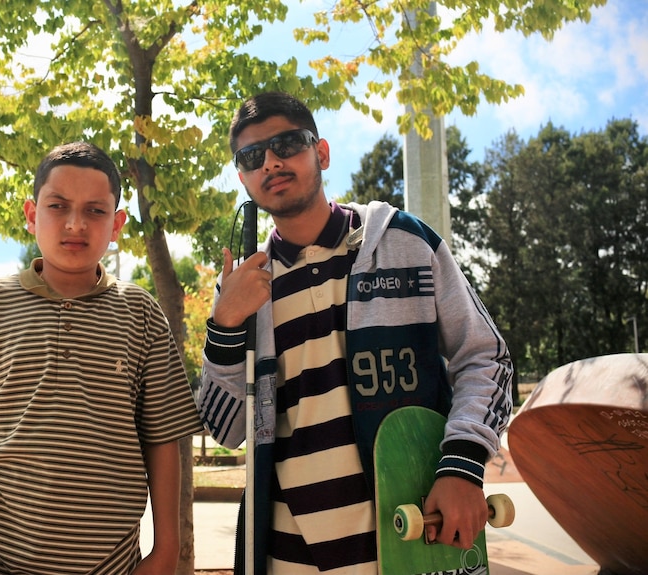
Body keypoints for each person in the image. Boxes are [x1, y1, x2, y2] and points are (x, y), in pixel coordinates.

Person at [197, 92, 513, 574]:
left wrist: (463, 465)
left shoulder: (406, 243)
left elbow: (488, 357)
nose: (272, 163)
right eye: (252, 156)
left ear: (321, 152)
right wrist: (224, 325)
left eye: (287, 144)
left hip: (412, 541)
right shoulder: (241, 287)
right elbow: (228, 430)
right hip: (287, 557)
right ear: (242, 176)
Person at [0, 141, 203, 575]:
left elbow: (162, 439)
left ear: (117, 223)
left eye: (95, 210)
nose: (75, 224)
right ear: (32, 214)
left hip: (111, 565)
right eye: (58, 206)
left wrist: (166, 552)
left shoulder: (141, 313)